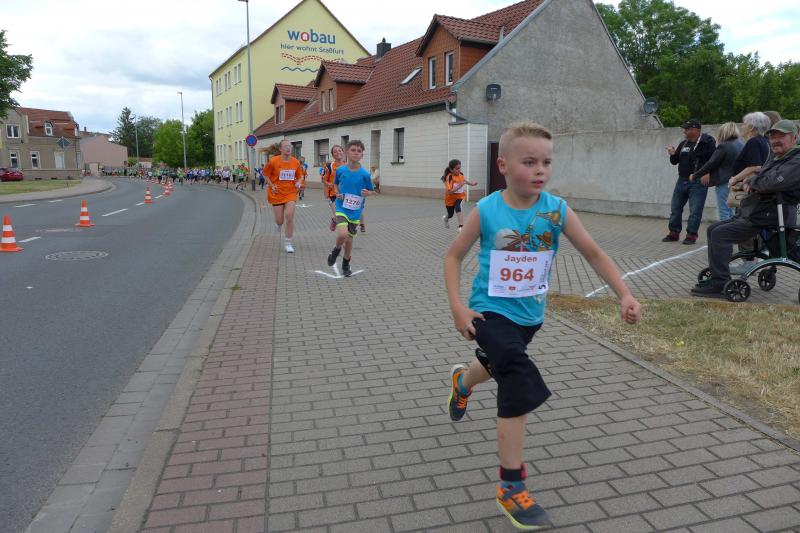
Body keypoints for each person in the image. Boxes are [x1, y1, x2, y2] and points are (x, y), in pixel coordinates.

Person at [444, 122, 641, 530]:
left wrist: (624, 294)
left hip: (529, 317)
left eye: (546, 162)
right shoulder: (487, 210)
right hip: (488, 312)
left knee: (497, 364)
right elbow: (453, 257)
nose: (540, 170)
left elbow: (593, 252)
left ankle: (462, 383)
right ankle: (511, 486)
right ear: (503, 165)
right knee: (516, 376)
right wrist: (458, 308)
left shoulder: (556, 210)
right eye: (529, 161)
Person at [691, 119, 800, 298]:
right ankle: (718, 276)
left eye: (781, 136)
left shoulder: (796, 160)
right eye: (773, 137)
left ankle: (719, 283)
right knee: (713, 229)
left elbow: (770, 182)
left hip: (771, 216)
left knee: (721, 234)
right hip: (757, 212)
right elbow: (759, 174)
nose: (775, 140)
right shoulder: (776, 156)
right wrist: (752, 181)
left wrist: (752, 182)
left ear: (795, 137)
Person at [727, 112, 773, 273]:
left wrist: (735, 179)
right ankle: (757, 258)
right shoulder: (765, 141)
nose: (742, 127)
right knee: (752, 224)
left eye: (744, 124)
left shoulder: (754, 142)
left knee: (743, 223)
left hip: (748, 192)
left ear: (752, 127)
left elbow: (755, 166)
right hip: (757, 190)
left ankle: (748, 261)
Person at [326, 140, 377, 276]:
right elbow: (335, 184)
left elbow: (373, 191)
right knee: (342, 234)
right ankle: (336, 250)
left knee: (349, 241)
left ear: (362, 155)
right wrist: (337, 192)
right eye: (353, 150)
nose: (356, 153)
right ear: (347, 153)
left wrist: (368, 193)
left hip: (355, 211)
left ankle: (346, 263)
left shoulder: (365, 174)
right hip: (341, 207)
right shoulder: (341, 170)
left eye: (359, 151)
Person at [664, 119, 716, 244]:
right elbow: (675, 161)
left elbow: (713, 160)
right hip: (682, 180)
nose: (684, 131)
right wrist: (672, 154)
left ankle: (691, 235)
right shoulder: (684, 144)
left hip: (698, 181)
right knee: (675, 208)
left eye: (687, 129)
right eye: (684, 129)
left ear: (696, 130)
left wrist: (708, 173)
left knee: (695, 210)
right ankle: (674, 233)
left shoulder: (707, 142)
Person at [690, 122, 743, 222]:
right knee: (732, 212)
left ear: (724, 132)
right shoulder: (741, 145)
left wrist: (695, 175)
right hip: (737, 182)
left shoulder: (724, 146)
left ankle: (724, 232)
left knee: (724, 212)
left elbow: (710, 163)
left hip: (724, 183)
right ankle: (731, 231)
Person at [263, 139, 304, 252]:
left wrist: (299, 182)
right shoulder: (273, 161)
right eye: (285, 146)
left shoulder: (295, 162)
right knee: (279, 220)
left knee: (289, 216)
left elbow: (300, 176)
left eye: (290, 146)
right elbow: (265, 174)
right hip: (277, 193)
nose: (288, 148)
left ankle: (288, 242)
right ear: (280, 149)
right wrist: (271, 186)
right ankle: (279, 224)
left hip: (290, 192)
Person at [441, 159, 478, 232]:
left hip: (460, 196)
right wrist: (460, 186)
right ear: (451, 170)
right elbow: (449, 192)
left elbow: (464, 181)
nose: (459, 170)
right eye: (457, 168)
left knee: (458, 207)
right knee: (450, 214)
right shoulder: (449, 177)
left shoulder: (461, 174)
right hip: (450, 199)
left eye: (460, 168)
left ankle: (461, 226)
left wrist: (472, 184)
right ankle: (445, 218)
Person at [322, 145, 346, 231]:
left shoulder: (348, 166)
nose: (338, 152)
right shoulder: (329, 166)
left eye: (340, 150)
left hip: (344, 194)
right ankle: (338, 224)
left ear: (343, 152)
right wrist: (328, 183)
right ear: (332, 155)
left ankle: (335, 220)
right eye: (335, 151)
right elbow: (323, 179)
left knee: (345, 216)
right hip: (332, 194)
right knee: (339, 216)